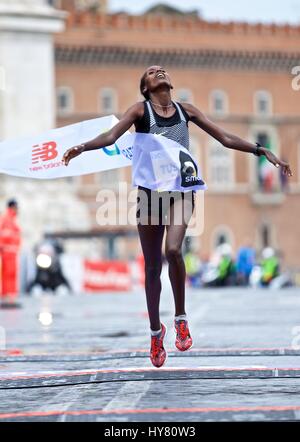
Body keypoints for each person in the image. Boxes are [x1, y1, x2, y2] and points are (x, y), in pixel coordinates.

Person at [62, 65, 292, 368]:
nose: (159, 71)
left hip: (180, 190)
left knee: (173, 250)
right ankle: (156, 333)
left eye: (162, 70)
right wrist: (82, 147)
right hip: (149, 193)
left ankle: (181, 317)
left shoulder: (186, 110)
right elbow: (111, 136)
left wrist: (261, 150)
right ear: (146, 87)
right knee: (152, 267)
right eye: (151, 72)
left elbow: (224, 137)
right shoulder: (140, 111)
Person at [0, 199, 21, 306]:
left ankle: (10, 296)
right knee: (8, 274)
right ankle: (7, 296)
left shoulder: (12, 220)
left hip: (12, 252)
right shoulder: (5, 219)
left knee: (11, 274)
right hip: (7, 252)